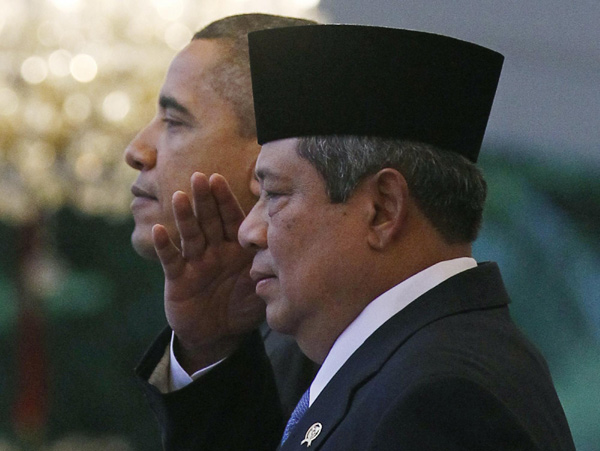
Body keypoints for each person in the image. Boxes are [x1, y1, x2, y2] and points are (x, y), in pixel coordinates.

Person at [146, 24, 577, 450]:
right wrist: (212, 349)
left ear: (383, 209)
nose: (248, 231)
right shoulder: (418, 362)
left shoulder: (440, 395)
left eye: (275, 195)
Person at [125, 13, 319, 446]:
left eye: (174, 121)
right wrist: (210, 349)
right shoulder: (270, 329)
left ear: (270, 153)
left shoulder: (324, 333)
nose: (136, 150)